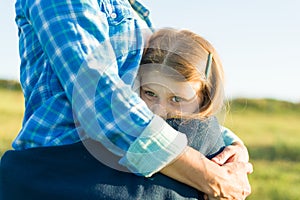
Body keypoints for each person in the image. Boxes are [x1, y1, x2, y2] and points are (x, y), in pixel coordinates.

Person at [0, 0, 252, 199]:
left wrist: (232, 151)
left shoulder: (135, 12)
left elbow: (148, 103)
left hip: (113, 163)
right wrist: (211, 176)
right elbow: (100, 99)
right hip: (67, 168)